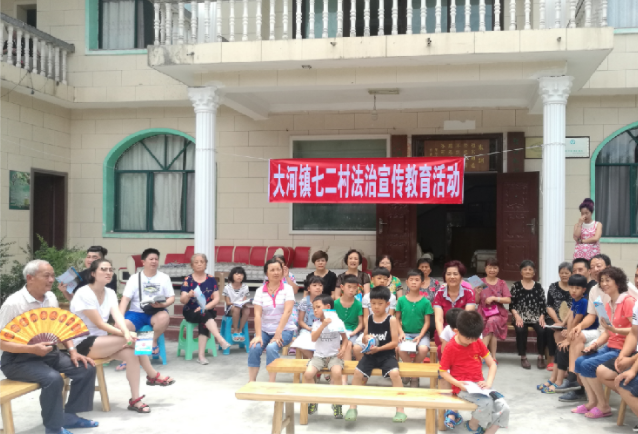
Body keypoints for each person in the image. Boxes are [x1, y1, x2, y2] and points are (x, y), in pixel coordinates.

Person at [0, 260, 97, 434]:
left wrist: (73, 351)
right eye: (46, 276)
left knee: (86, 368)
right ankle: (53, 428)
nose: (52, 280)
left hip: (50, 354)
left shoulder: (50, 297)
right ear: (30, 278)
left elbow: (60, 327)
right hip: (18, 360)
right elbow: (1, 342)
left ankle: (69, 416)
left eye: (52, 275)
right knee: (53, 379)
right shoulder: (13, 303)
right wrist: (32, 349)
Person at [70, 259, 175, 414]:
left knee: (132, 354)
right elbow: (99, 323)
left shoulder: (110, 292)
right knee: (139, 339)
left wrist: (125, 331)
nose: (108, 272)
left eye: (110, 269)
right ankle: (152, 375)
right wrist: (126, 334)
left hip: (102, 341)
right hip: (82, 343)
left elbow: (118, 315)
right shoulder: (84, 293)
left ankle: (135, 400)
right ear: (93, 273)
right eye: (103, 269)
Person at [560, 254, 638, 402]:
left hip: (620, 340)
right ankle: (574, 381)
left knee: (588, 364)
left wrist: (615, 331)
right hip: (605, 333)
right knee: (577, 341)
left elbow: (634, 328)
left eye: (599, 266)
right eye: (592, 267)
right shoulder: (597, 294)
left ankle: (598, 400)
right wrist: (581, 328)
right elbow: (594, 317)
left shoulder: (627, 295)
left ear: (609, 268)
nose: (595, 269)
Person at [573, 266, 636, 418]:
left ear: (618, 282)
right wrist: (595, 344)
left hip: (623, 349)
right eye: (602, 281)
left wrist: (616, 329)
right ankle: (592, 402)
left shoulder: (628, 301)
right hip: (610, 346)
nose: (604, 283)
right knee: (580, 361)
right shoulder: (606, 304)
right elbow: (607, 332)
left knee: (588, 365)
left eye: (608, 280)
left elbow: (634, 331)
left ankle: (603, 406)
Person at [439, 311, 509, 434]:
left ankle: (488, 431)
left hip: (480, 386)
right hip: (462, 387)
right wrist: (458, 383)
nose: (471, 341)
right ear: (456, 331)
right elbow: (443, 372)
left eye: (475, 338)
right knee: (486, 403)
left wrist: (488, 383)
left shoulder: (477, 343)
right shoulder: (450, 347)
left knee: (504, 406)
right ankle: (472, 426)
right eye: (468, 338)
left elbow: (492, 364)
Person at [344, 286, 407, 423]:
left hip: (387, 355)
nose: (376, 306)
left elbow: (394, 342)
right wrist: (366, 339)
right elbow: (364, 337)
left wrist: (379, 349)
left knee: (395, 374)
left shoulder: (391, 320)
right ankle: (352, 407)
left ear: (387, 304)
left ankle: (400, 409)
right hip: (371, 354)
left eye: (380, 303)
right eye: (373, 303)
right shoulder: (369, 318)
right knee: (357, 373)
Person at [118, 248, 174, 370]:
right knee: (122, 326)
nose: (154, 261)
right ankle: (127, 357)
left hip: (155, 312)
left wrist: (162, 305)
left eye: (156, 259)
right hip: (136, 313)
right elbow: (125, 299)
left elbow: (171, 297)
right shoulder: (134, 278)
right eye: (151, 259)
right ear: (143, 262)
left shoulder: (164, 277)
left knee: (164, 317)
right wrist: (119, 317)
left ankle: (153, 340)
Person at [541, 273, 591, 394]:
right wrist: (562, 324)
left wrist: (568, 339)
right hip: (574, 332)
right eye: (571, 287)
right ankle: (553, 379)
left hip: (583, 333)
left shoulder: (584, 302)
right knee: (559, 347)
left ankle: (559, 382)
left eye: (577, 288)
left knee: (563, 349)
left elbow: (576, 321)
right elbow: (570, 314)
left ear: (584, 290)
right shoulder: (575, 300)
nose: (573, 290)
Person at [248, 258, 297, 382]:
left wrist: (278, 333)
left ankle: (271, 382)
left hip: (285, 330)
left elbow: (287, 312)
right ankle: (251, 381)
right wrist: (258, 335)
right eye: (272, 270)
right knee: (254, 347)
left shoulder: (288, 289)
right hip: (265, 330)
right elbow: (257, 314)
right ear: (266, 273)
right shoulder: (260, 291)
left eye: (278, 269)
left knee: (271, 347)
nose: (276, 273)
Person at [303, 295, 348, 419]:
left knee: (337, 373)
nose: (315, 310)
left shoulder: (338, 322)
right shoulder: (316, 323)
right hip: (319, 356)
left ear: (328, 307)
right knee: (308, 374)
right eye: (313, 308)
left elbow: (345, 339)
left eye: (318, 307)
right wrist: (323, 325)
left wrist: (343, 349)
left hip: (334, 356)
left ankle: (337, 403)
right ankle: (314, 400)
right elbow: (313, 338)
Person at [180, 254, 230, 365]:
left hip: (207, 309)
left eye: (202, 262)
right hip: (191, 311)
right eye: (196, 262)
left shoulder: (211, 279)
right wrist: (188, 295)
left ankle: (201, 356)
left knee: (204, 316)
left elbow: (216, 299)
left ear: (206, 264)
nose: (199, 264)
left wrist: (205, 307)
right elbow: (182, 300)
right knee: (205, 315)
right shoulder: (187, 280)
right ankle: (220, 339)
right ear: (192, 265)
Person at [396, 269, 433, 388]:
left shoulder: (426, 302)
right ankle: (410, 373)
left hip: (421, 334)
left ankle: (413, 376)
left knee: (423, 349)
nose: (413, 282)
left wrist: (420, 336)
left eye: (417, 280)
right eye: (411, 280)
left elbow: (427, 322)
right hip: (405, 333)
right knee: (401, 349)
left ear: (422, 283)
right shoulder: (401, 300)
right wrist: (401, 332)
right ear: (406, 282)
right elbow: (397, 319)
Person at [433, 260, 476, 361]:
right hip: (444, 329)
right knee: (442, 347)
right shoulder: (439, 293)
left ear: (461, 277)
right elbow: (439, 319)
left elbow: (467, 318)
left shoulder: (469, 293)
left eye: (455, 274)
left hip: (463, 329)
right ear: (444, 277)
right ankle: (445, 369)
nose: (452, 277)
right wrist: (442, 336)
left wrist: (458, 336)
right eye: (448, 274)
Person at [510, 260, 547, 369]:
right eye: (525, 269)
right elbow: (512, 305)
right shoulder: (515, 286)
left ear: (534, 272)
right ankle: (523, 356)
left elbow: (543, 304)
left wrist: (542, 316)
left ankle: (541, 356)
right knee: (520, 329)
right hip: (520, 316)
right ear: (521, 272)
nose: (527, 271)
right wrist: (517, 316)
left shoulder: (538, 286)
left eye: (530, 269)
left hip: (536, 316)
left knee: (542, 330)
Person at [474, 258, 511, 364]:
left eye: (495, 268)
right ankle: (493, 357)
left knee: (492, 321)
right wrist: (477, 293)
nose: (492, 270)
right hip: (482, 312)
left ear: (498, 269)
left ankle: (481, 355)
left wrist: (495, 298)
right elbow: (476, 301)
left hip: (498, 313)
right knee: (491, 329)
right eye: (490, 267)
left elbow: (508, 300)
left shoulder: (501, 283)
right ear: (485, 268)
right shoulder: (479, 282)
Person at [543, 262, 573, 373]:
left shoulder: (574, 287)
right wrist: (557, 321)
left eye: (567, 273)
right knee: (551, 329)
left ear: (571, 273)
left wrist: (565, 322)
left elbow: (575, 306)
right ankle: (552, 358)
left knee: (568, 329)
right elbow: (549, 306)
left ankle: (566, 359)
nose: (564, 275)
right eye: (562, 273)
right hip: (554, 316)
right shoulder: (553, 287)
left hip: (570, 317)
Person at [335, 275, 363, 384]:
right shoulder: (335, 303)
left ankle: (344, 378)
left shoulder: (358, 304)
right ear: (342, 287)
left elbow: (361, 324)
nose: (352, 290)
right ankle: (334, 374)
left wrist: (354, 332)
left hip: (352, 332)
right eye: (349, 287)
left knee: (348, 345)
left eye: (354, 287)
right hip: (337, 331)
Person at [298, 276, 326, 359]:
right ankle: (314, 361)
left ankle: (317, 362)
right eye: (314, 285)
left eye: (320, 285)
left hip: (322, 328)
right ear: (308, 288)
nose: (318, 287)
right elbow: (300, 321)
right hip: (307, 329)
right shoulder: (304, 301)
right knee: (301, 344)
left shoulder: (326, 301)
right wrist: (309, 328)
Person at [223, 266, 251, 342]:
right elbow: (228, 302)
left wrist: (244, 302)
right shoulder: (227, 287)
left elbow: (244, 301)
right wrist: (236, 303)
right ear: (232, 276)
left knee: (247, 310)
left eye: (241, 274)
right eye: (237, 274)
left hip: (241, 307)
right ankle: (235, 330)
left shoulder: (245, 287)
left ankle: (240, 330)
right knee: (236, 308)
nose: (239, 276)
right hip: (230, 308)